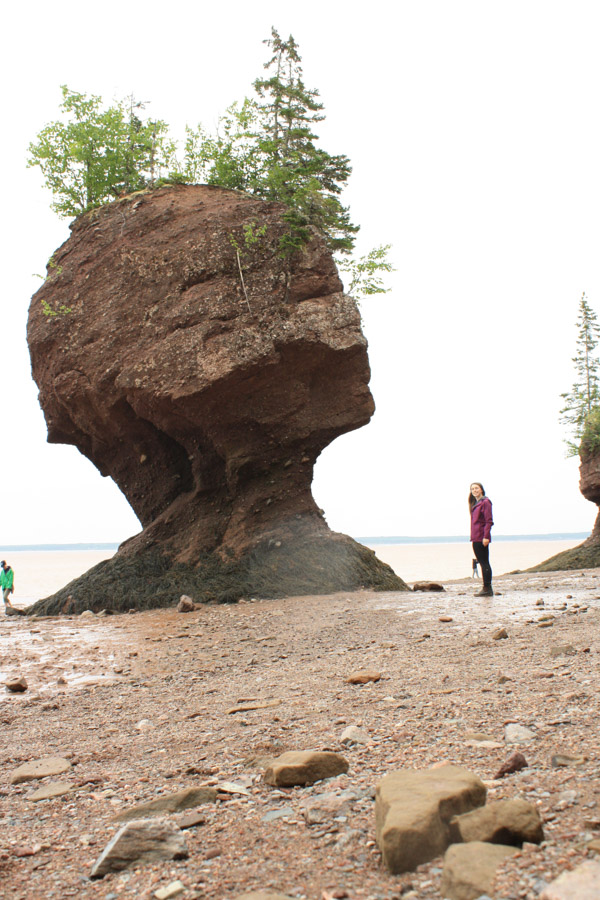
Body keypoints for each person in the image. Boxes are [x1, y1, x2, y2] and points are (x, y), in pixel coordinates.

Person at [469, 483, 493, 596]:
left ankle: (487, 588)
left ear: (481, 490)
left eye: (476, 488)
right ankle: (487, 587)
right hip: (475, 536)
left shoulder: (486, 502)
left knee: (484, 563)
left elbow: (489, 521)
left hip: (481, 537)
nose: (475, 490)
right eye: (472, 489)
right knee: (482, 562)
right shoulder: (475, 503)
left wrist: (486, 536)